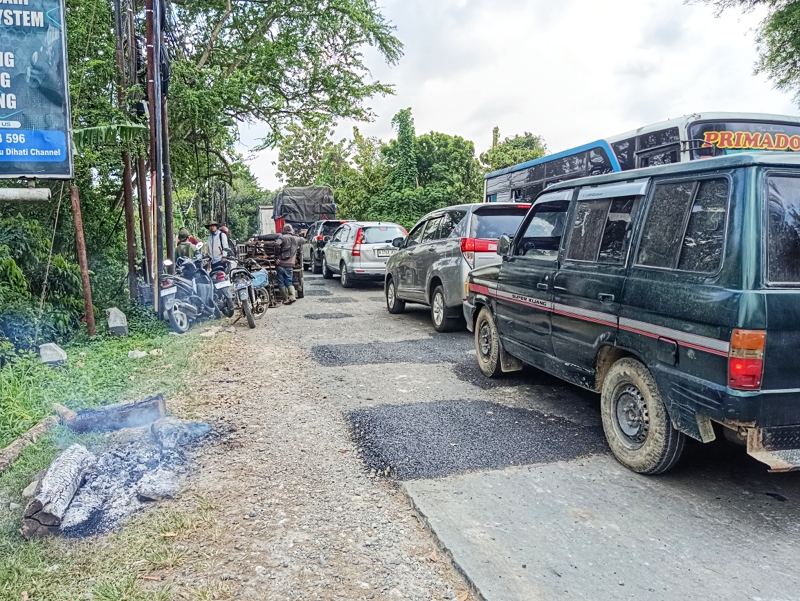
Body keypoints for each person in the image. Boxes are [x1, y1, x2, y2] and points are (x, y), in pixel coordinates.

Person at [276, 224, 305, 304]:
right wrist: (298, 235)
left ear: (284, 230)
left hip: (281, 264)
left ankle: (285, 299)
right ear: (291, 231)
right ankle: (292, 296)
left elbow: (276, 244)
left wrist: (277, 257)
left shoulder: (281, 237)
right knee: (289, 281)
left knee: (281, 282)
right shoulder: (296, 239)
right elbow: (304, 240)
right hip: (290, 265)